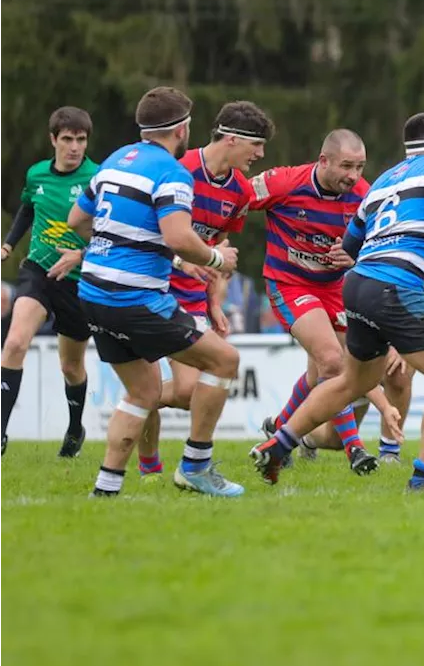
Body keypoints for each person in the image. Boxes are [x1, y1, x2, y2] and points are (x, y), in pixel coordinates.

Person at [251, 112, 424, 490]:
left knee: (350, 380)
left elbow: (350, 242)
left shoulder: (382, 181)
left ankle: (278, 444)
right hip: (395, 286)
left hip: (357, 286)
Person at [57, 86, 244, 497]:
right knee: (225, 360)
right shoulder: (172, 172)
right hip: (134, 298)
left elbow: (76, 219)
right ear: (181, 129)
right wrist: (215, 259)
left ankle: (106, 488)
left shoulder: (114, 161)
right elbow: (178, 235)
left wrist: (155, 256)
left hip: (94, 293)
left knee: (143, 392)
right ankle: (196, 465)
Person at [133, 100, 274, 480]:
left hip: (192, 297)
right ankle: (150, 466)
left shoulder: (241, 192)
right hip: (152, 286)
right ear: (231, 139)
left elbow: (220, 252)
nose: (260, 155)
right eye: (256, 145)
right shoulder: (179, 169)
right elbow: (151, 231)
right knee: (156, 383)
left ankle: (136, 400)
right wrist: (182, 262)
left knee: (185, 391)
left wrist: (214, 302)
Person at [247, 129, 395, 474]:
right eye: (346, 166)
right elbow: (236, 200)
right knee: (332, 361)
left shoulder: (364, 196)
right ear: (323, 160)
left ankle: (278, 431)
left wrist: (355, 258)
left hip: (336, 289)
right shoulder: (284, 183)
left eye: (359, 167)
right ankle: (355, 450)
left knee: (321, 373)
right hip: (290, 284)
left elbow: (381, 246)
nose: (353, 176)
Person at [0, 107, 98, 459]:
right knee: (14, 343)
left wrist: (82, 253)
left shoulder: (98, 178)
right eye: (68, 139)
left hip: (77, 281)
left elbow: (111, 233)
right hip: (39, 270)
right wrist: (10, 244)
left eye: (81, 140)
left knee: (71, 367)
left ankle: (75, 428)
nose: (75, 147)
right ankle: (0, 432)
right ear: (53, 140)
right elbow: (28, 208)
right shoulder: (36, 174)